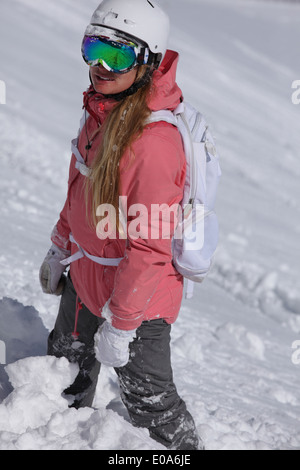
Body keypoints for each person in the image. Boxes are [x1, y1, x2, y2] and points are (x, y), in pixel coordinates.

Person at [39, 0, 203, 451]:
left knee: (150, 403)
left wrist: (123, 325)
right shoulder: (100, 111)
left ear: (147, 62)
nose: (100, 66)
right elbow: (80, 188)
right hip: (86, 275)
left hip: (138, 299)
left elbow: (149, 249)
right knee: (62, 374)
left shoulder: (153, 143)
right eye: (93, 48)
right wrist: (59, 247)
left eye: (118, 56)